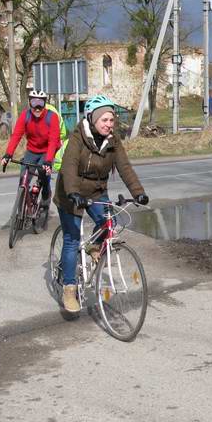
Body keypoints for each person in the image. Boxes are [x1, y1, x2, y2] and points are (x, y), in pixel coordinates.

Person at [53, 94, 149, 314]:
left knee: (109, 222)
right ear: (93, 119)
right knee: (71, 239)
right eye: (104, 120)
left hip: (96, 190)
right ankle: (69, 288)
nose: (109, 124)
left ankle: (94, 247)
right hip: (71, 192)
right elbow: (68, 167)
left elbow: (125, 167)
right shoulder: (78, 137)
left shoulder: (113, 141)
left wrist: (138, 192)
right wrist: (73, 192)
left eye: (111, 120)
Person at [1, 90, 60, 209]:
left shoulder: (52, 117)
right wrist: (8, 154)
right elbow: (16, 135)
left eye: (40, 103)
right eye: (34, 103)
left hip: (47, 150)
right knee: (23, 178)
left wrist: (48, 161)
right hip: (32, 151)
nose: (37, 107)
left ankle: (45, 194)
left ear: (45, 104)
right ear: (29, 103)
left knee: (43, 173)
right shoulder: (25, 115)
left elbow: (53, 141)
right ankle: (21, 211)